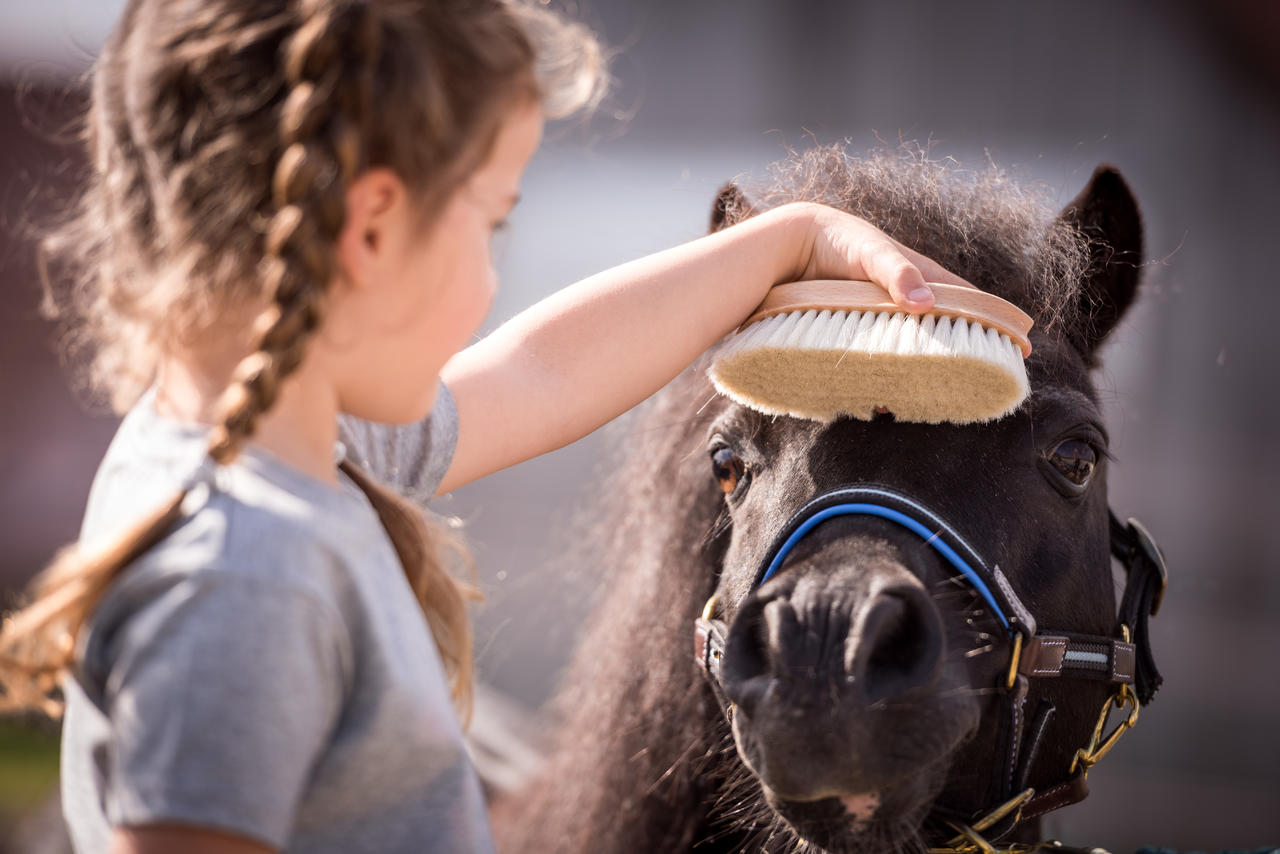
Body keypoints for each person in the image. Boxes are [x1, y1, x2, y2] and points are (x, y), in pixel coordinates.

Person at [0, 1, 973, 852]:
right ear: (372, 228)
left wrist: (791, 238)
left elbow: (542, 370)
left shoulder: (280, 450)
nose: (493, 275)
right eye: (490, 219)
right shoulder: (245, 575)